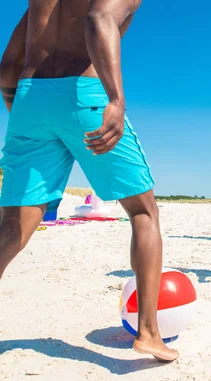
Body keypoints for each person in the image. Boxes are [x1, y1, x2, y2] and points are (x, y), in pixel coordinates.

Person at [0, 0, 178, 361]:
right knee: (143, 212)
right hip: (84, 94)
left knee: (13, 225)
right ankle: (148, 332)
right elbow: (98, 19)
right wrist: (116, 97)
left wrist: (16, 105)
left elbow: (8, 64)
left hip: (30, 98)